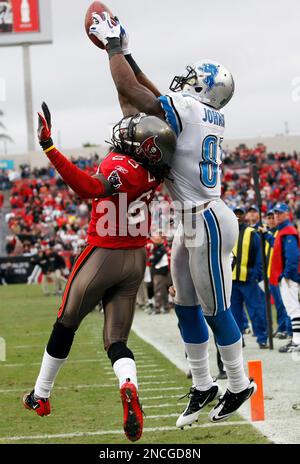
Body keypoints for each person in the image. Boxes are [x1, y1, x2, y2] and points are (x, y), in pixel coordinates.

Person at [89, 14, 256, 426]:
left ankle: (238, 383)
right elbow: (150, 92)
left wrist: (112, 48)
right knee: (185, 306)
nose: (183, 83)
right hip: (192, 220)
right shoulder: (199, 113)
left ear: (204, 88)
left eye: (192, 78)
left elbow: (132, 92)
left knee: (215, 308)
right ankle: (203, 384)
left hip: (209, 221)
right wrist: (127, 53)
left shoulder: (190, 111)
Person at [22, 103, 176, 442]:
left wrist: (50, 148)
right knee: (116, 340)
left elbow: (90, 188)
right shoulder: (158, 169)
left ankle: (41, 396)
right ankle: (128, 384)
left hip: (104, 253)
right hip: (136, 258)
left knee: (65, 323)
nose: (125, 133)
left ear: (144, 147)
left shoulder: (120, 164)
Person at [231, 207, 268, 348]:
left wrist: (256, 274)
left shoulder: (251, 233)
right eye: (235, 214)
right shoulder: (227, 232)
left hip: (248, 280)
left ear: (244, 216)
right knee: (234, 313)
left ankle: (262, 338)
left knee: (256, 310)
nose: (238, 216)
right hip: (232, 280)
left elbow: (260, 256)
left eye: (240, 214)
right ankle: (238, 339)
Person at [268, 204, 300, 352]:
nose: (276, 215)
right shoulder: (283, 231)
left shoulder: (288, 231)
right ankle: (296, 339)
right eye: (275, 213)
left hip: (290, 277)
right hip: (289, 276)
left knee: (293, 309)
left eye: (280, 213)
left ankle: (297, 341)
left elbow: (293, 257)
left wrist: (287, 275)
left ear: (287, 214)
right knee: (292, 308)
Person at [264, 209, 291, 339]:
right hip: (269, 275)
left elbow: (277, 246)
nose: (271, 219)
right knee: (276, 304)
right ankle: (281, 327)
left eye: (273, 217)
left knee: (283, 303)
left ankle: (286, 329)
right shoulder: (266, 234)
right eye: (269, 217)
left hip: (279, 275)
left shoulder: (280, 234)